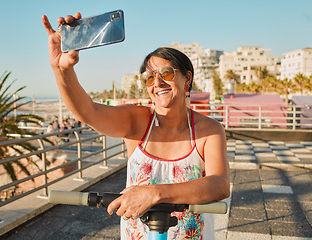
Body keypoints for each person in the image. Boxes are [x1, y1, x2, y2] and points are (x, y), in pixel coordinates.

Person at [42, 12, 230, 240]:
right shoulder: (138, 122)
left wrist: (155, 194)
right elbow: (88, 112)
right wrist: (62, 69)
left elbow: (219, 184)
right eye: (149, 78)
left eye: (166, 73)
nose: (157, 83)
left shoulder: (208, 130)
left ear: (187, 78)